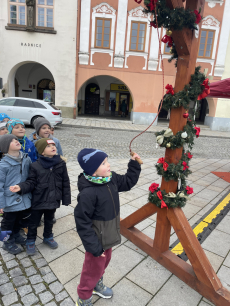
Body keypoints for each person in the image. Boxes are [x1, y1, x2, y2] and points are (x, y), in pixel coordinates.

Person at [74, 148, 141, 306]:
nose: (109, 165)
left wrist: (134, 164)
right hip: (96, 240)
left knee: (104, 263)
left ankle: (97, 285)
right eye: (104, 163)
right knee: (92, 268)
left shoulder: (111, 178)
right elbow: (82, 222)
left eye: (107, 161)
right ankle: (84, 296)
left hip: (109, 233)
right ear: (93, 171)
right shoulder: (88, 193)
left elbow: (127, 182)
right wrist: (94, 247)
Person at [10, 138, 71, 255]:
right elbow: (31, 182)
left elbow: (65, 182)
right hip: (39, 199)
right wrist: (20, 187)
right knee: (33, 222)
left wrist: (66, 198)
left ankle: (48, 236)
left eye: (54, 145)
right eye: (49, 146)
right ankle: (31, 240)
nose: (53, 147)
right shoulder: (35, 166)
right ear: (42, 151)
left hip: (53, 199)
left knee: (49, 220)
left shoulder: (61, 164)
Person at [0, 134, 32, 254]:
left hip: (24, 197)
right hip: (10, 201)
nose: (16, 141)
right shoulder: (2, 165)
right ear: (5, 146)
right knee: (7, 223)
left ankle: (16, 235)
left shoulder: (26, 159)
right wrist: (1, 204)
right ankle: (6, 242)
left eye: (16, 139)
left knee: (19, 220)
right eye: (12, 141)